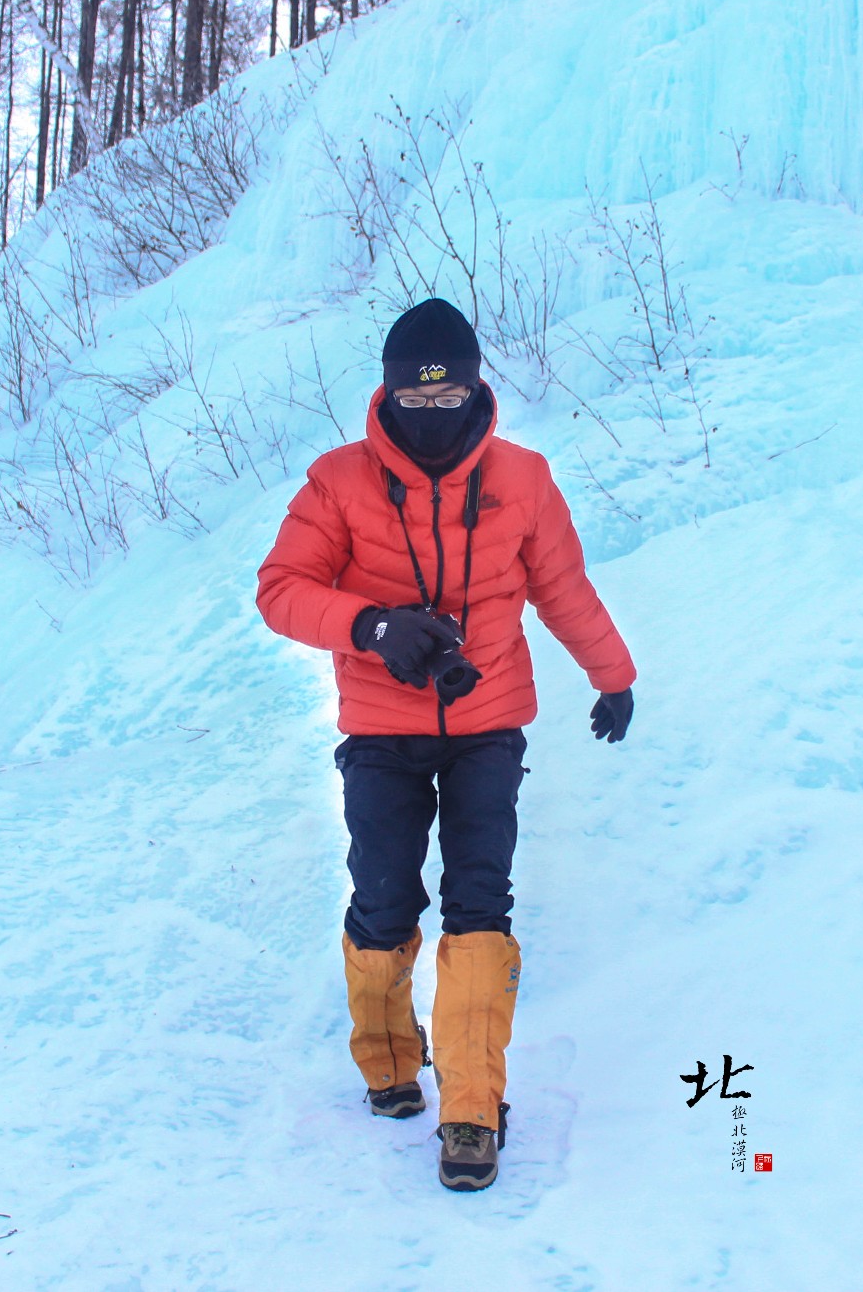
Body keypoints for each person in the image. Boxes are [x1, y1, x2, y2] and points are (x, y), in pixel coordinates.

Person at [255, 298, 637, 1192]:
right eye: (414, 401)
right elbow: (281, 590)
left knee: (478, 905)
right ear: (389, 393)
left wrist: (611, 674)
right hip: (382, 731)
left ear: (474, 387)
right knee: (386, 902)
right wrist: (373, 623)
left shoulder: (523, 479)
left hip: (488, 724)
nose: (433, 415)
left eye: (448, 396)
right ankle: (389, 1059)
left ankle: (472, 1107)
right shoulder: (338, 481)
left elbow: (563, 588)